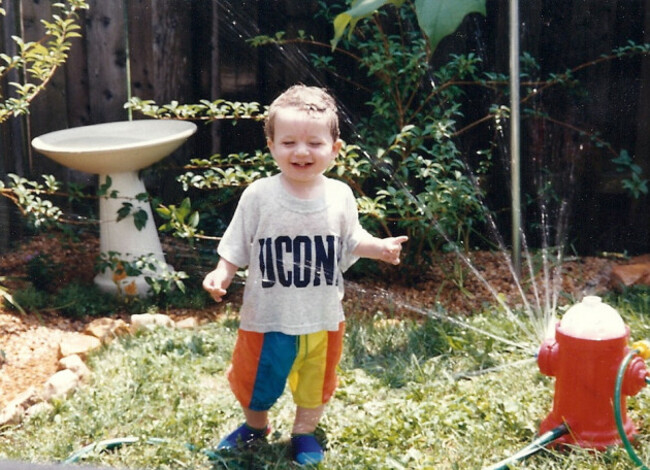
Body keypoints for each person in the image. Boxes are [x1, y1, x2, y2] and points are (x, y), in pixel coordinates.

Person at [202, 84, 408, 465]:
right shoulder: (259, 196)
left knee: (316, 385)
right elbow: (236, 244)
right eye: (289, 142)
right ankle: (255, 426)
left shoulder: (341, 195)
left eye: (314, 143)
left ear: (335, 149)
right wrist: (222, 272)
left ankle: (304, 433)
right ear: (271, 146)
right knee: (255, 383)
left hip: (323, 318)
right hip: (268, 320)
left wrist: (378, 248)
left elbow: (350, 239)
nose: (301, 152)